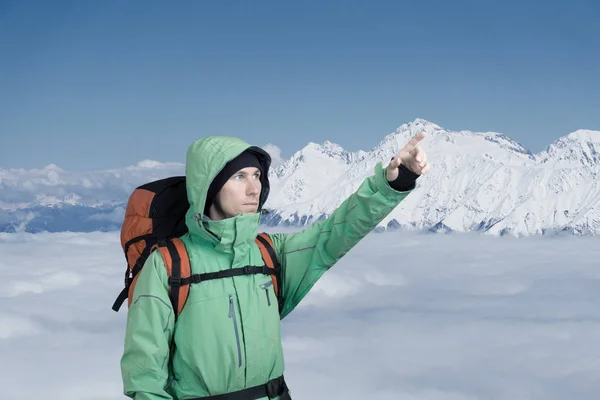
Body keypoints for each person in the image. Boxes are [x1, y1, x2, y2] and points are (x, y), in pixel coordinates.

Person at [120, 133, 430, 400]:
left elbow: (335, 233)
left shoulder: (269, 253)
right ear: (209, 187)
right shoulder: (168, 265)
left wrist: (393, 184)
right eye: (239, 177)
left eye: (256, 176)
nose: (254, 188)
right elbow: (145, 374)